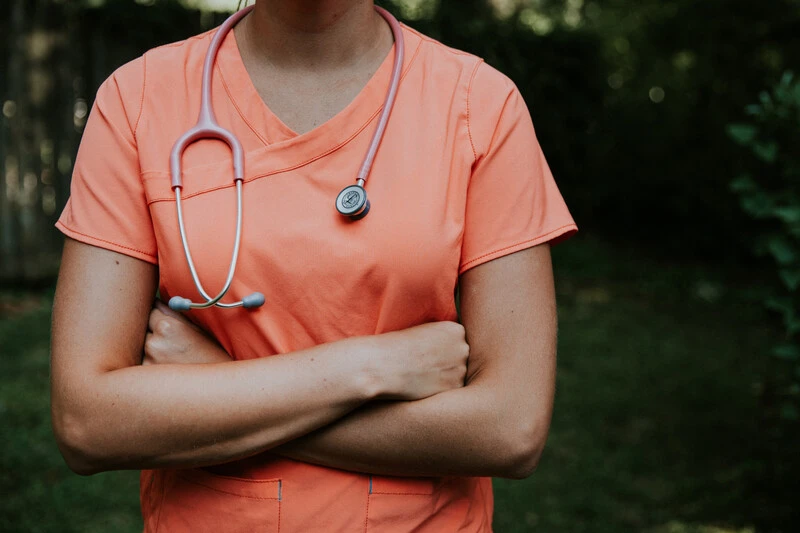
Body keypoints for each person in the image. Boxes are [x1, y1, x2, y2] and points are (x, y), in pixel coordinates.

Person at [50, 0, 577, 531]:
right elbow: (88, 423)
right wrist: (368, 370)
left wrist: (219, 385)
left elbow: (510, 429)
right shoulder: (139, 99)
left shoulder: (480, 105)